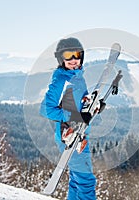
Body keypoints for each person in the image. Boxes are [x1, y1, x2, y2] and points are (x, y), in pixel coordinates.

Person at [40, 37, 96, 200]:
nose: (73, 59)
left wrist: (91, 104)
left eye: (76, 54)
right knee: (86, 182)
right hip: (69, 136)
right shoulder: (61, 80)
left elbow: (75, 102)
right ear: (60, 58)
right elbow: (46, 110)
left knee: (77, 180)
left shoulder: (77, 76)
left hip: (80, 134)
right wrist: (74, 116)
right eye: (68, 55)